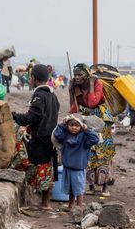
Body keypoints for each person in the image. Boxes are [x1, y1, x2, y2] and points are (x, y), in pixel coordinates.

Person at [12, 64, 60, 210]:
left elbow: (33, 116)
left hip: (40, 138)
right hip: (49, 138)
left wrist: (14, 116)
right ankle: (44, 201)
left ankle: (43, 203)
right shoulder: (52, 95)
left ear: (33, 78)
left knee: (36, 165)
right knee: (47, 169)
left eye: (30, 77)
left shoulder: (39, 95)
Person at [69, 63, 116, 197]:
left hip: (101, 120)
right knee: (89, 151)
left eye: (80, 75)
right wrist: (70, 92)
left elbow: (92, 103)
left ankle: (104, 187)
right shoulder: (75, 87)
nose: (77, 77)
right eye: (75, 75)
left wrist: (90, 86)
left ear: (87, 75)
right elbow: (73, 109)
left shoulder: (97, 83)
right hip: (86, 119)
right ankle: (91, 186)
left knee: (102, 151)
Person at [53, 114, 100, 210]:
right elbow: (57, 134)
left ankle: (79, 207)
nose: (74, 127)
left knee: (78, 189)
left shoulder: (84, 138)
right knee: (71, 189)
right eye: (71, 125)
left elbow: (95, 139)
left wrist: (86, 130)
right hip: (67, 167)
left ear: (81, 126)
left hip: (78, 168)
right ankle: (71, 206)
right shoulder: (65, 135)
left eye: (77, 125)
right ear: (67, 126)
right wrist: (62, 124)